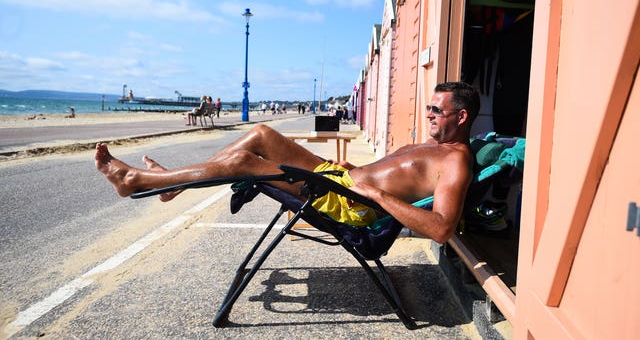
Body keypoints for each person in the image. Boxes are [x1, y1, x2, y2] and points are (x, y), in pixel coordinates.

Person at [95, 82, 479, 243]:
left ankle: (136, 179)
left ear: (460, 117)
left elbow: (441, 229)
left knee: (245, 161)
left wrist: (374, 194)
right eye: (429, 107)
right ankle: (174, 184)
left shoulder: (456, 163)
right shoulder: (431, 146)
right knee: (262, 135)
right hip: (339, 179)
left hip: (347, 201)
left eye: (437, 110)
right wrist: (355, 173)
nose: (428, 114)